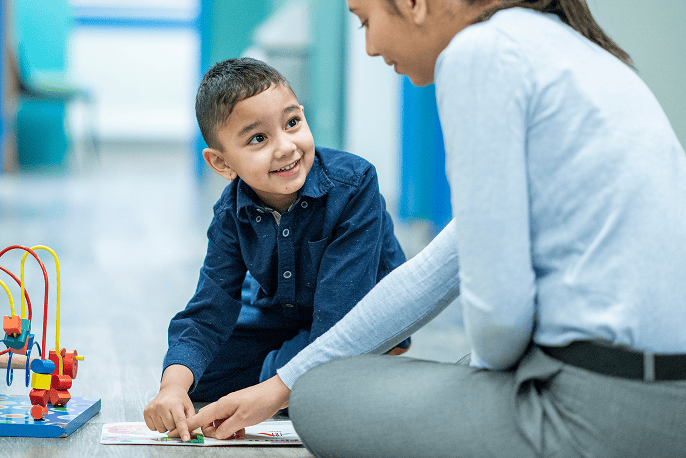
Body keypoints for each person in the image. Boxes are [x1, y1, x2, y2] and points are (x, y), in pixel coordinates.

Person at [183, 1, 686, 456]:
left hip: (592, 414)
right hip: (671, 402)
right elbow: (431, 273)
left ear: (414, 5)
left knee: (320, 395)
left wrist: (298, 385)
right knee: (317, 378)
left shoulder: (480, 55)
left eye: (364, 20)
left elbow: (501, 331)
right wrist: (279, 385)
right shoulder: (567, 44)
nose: (371, 46)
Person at [143, 57, 411, 441]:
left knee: (309, 375)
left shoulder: (354, 184)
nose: (286, 147)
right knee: (200, 378)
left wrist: (269, 384)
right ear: (221, 163)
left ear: (303, 115)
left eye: (291, 123)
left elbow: (341, 318)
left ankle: (346, 366)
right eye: (258, 138)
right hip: (282, 316)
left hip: (353, 318)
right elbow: (209, 309)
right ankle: (297, 375)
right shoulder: (230, 211)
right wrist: (172, 388)